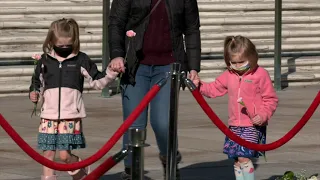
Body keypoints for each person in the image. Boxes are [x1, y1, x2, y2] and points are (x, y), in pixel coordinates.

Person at [108, 0, 201, 179]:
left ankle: (169, 158)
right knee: (134, 124)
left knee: (163, 123)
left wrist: (193, 67)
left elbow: (192, 28)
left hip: (168, 67)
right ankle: (131, 171)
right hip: (135, 65)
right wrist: (117, 54)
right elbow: (116, 22)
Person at [29, 18, 118, 180]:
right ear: (51, 41)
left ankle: (79, 169)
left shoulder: (81, 60)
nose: (64, 49)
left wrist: (111, 73)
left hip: (70, 116)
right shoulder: (44, 61)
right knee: (47, 154)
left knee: (64, 156)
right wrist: (34, 93)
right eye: (60, 45)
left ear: (74, 41)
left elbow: (97, 81)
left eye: (67, 46)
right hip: (48, 115)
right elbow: (37, 83)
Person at [193, 35, 278, 180]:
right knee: (237, 160)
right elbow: (214, 88)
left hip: (253, 124)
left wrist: (263, 115)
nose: (238, 66)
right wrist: (199, 86)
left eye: (241, 62)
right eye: (234, 63)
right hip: (234, 125)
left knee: (244, 157)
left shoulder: (260, 75)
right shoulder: (229, 75)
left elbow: (270, 99)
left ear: (252, 57)